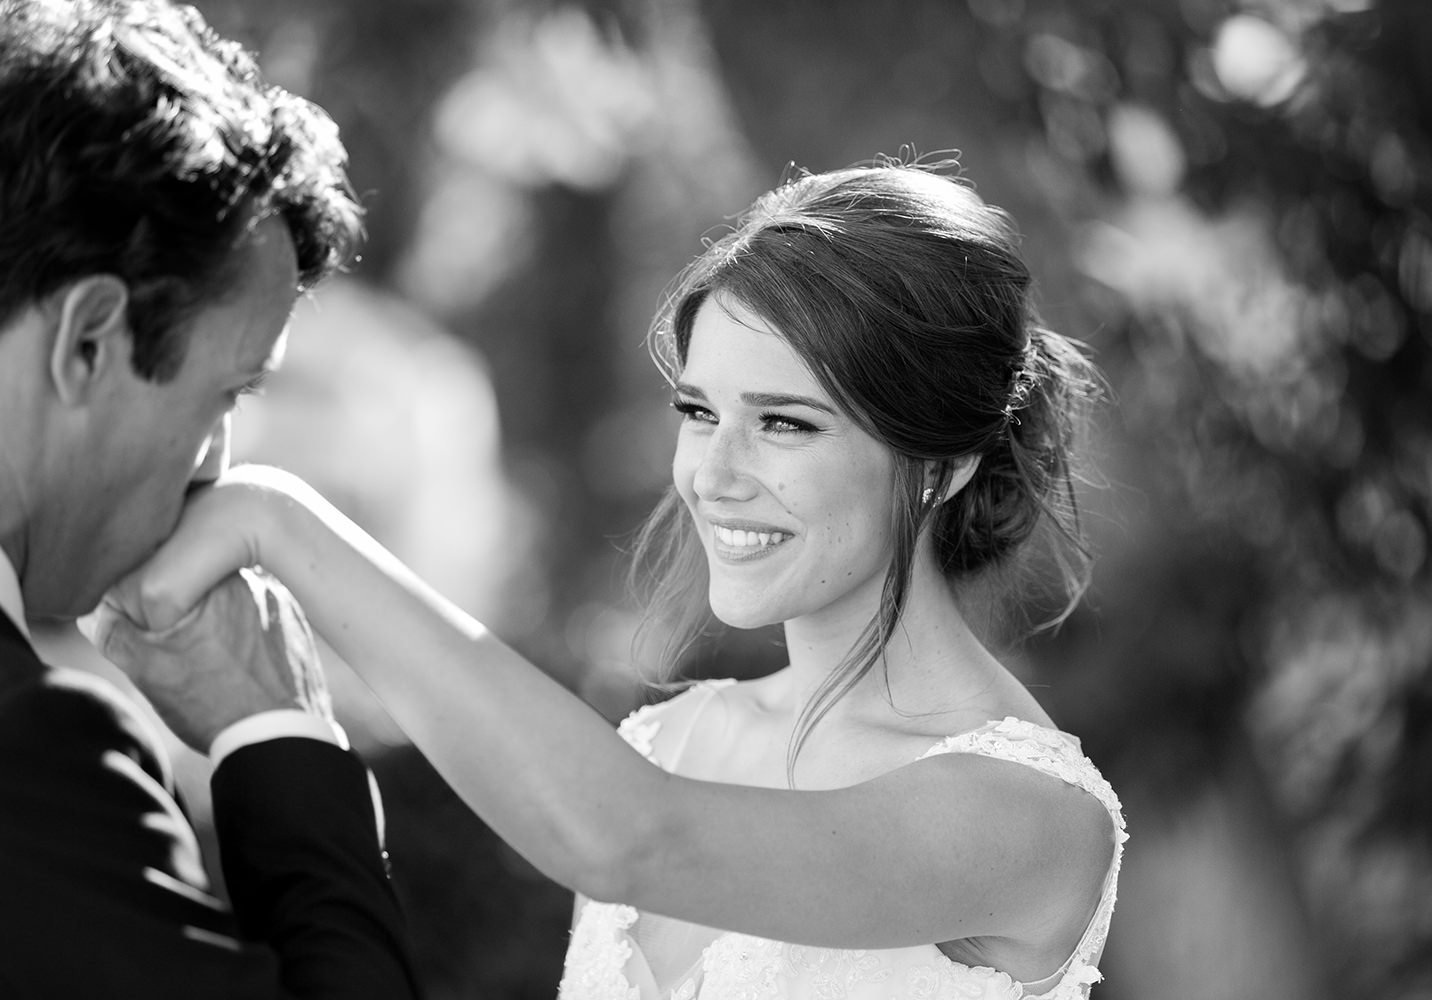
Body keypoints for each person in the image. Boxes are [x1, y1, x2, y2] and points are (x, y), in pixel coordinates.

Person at [102, 161, 1127, 999]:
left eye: (783, 422)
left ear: (941, 464)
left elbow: (628, 838)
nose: (714, 475)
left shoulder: (1028, 814)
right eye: (698, 411)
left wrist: (279, 523)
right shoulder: (675, 738)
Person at [0, 1, 421, 996]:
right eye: (227, 392)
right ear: (91, 340)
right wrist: (278, 732)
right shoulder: (32, 745)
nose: (214, 466)